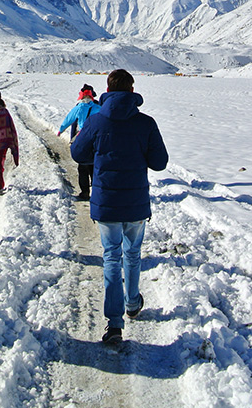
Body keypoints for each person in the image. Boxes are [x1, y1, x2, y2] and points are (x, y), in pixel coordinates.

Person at [70, 69, 168, 345]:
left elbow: (78, 153)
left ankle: (114, 324)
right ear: (132, 89)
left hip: (107, 204)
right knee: (132, 255)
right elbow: (160, 162)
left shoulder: (97, 121)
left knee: (111, 258)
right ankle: (132, 302)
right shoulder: (146, 124)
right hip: (135, 204)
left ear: (108, 90)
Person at [57, 84, 101, 200]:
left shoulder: (79, 107)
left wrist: (61, 130)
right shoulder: (98, 107)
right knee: (94, 167)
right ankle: (97, 192)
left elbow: (69, 119)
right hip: (95, 140)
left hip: (82, 140)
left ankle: (85, 192)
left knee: (83, 167)